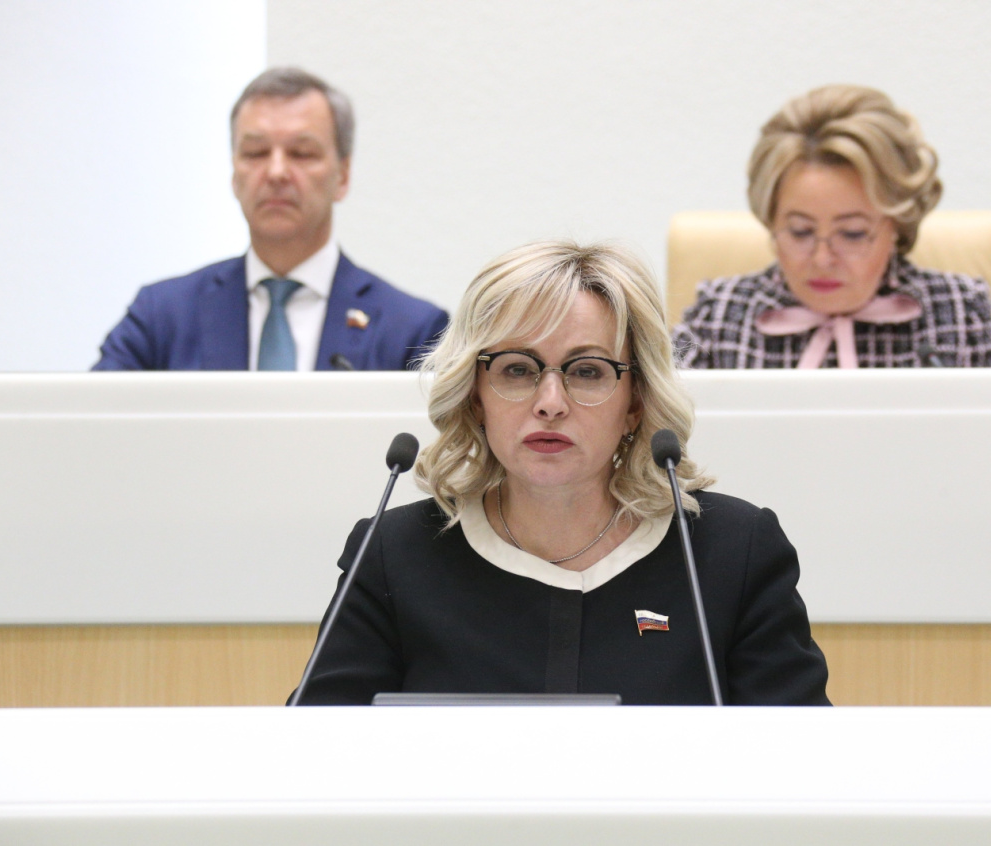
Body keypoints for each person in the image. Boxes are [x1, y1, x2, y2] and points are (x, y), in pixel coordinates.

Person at [296, 240, 829, 705]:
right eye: (517, 369)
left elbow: (806, 763)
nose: (550, 402)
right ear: (476, 397)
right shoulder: (393, 557)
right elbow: (312, 753)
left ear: (636, 402)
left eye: (588, 371)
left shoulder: (731, 553)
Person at [93, 67, 448, 371]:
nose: (276, 172)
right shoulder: (161, 317)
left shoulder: (413, 331)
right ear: (234, 174)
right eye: (256, 152)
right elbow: (91, 419)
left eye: (301, 153)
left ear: (342, 176)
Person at [673, 84, 991, 369]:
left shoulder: (962, 314)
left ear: (897, 223)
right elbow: (654, 417)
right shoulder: (713, 317)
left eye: (852, 234)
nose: (822, 259)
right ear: (771, 219)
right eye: (800, 231)